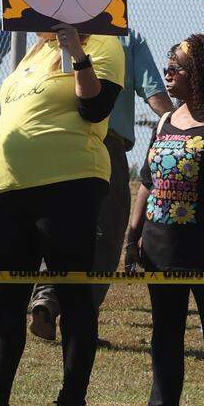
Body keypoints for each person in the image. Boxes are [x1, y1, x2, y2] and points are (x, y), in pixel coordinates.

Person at [0, 23, 124, 406]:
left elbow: (95, 108)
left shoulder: (102, 42)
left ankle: (71, 402)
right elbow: (10, 121)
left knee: (72, 295)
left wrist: (77, 52)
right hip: (11, 187)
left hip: (69, 184)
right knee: (6, 297)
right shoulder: (35, 50)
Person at [123, 35, 204, 406]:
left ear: (200, 74)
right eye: (168, 65)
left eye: (176, 67)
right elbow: (147, 183)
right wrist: (132, 236)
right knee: (165, 329)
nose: (167, 73)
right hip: (160, 246)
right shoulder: (165, 120)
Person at [29, 28, 171, 340]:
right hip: (105, 144)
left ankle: (47, 299)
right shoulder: (125, 39)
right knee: (107, 231)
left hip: (57, 143)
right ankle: (81, 319)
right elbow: (154, 94)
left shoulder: (51, 35)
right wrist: (179, 126)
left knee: (59, 226)